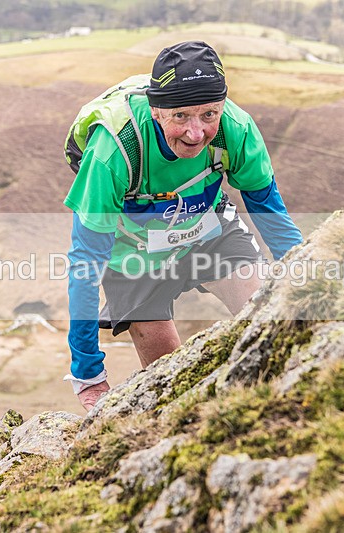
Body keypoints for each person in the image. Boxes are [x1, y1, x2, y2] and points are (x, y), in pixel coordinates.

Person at [64, 41, 304, 410]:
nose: (196, 133)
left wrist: (314, 300)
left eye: (210, 115)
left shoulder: (235, 129)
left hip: (209, 232)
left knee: (271, 321)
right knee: (171, 393)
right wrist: (87, 371)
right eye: (181, 117)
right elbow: (85, 261)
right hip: (133, 257)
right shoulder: (112, 149)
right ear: (156, 110)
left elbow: (272, 218)